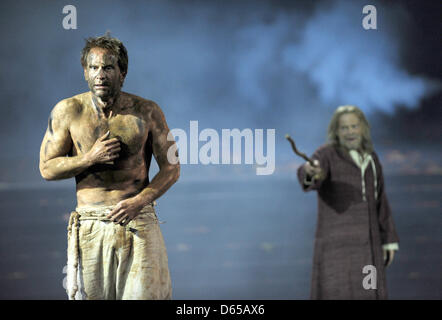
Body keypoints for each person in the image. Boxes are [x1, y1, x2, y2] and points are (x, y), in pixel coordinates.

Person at [39, 34, 180, 300]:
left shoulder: (147, 111)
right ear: (85, 72)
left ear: (122, 73)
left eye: (107, 68)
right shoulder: (68, 111)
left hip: (138, 220)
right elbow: (46, 168)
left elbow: (172, 168)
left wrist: (139, 201)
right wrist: (89, 158)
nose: (100, 75)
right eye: (93, 68)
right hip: (91, 224)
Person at [297, 105, 399, 300]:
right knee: (336, 293)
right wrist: (310, 172)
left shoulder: (371, 158)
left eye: (354, 126)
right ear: (336, 131)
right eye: (344, 128)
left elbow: (380, 200)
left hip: (368, 248)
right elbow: (311, 174)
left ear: (363, 128)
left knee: (369, 293)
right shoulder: (326, 154)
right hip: (338, 248)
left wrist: (389, 241)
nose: (350, 132)